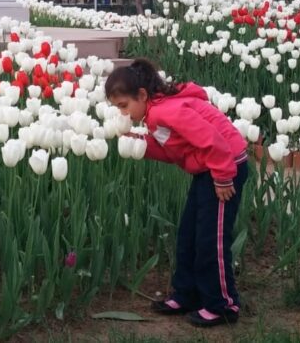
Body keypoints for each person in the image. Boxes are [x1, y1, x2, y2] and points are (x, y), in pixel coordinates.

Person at [105, 58, 248, 328]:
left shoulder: (165, 112)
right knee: (188, 234)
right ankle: (188, 294)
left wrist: (223, 176)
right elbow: (175, 149)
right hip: (209, 168)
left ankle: (222, 305)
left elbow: (212, 140)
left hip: (225, 167)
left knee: (211, 238)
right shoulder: (153, 114)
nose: (123, 114)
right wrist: (139, 144)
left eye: (124, 106)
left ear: (143, 95)